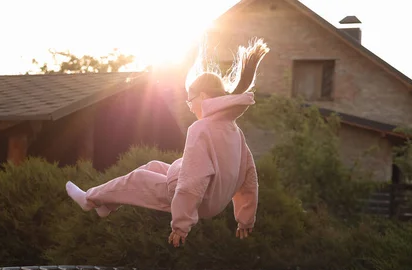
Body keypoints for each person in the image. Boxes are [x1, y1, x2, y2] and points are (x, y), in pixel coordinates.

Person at [65, 38, 269, 248]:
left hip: (200, 200)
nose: (190, 107)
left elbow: (193, 181)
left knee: (139, 178)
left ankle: (89, 200)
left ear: (203, 96)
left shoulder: (201, 129)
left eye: (190, 100)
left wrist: (181, 225)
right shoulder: (235, 131)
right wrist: (246, 220)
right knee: (153, 166)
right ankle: (106, 203)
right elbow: (249, 179)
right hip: (213, 198)